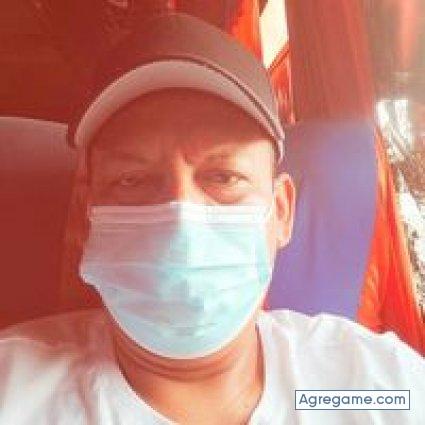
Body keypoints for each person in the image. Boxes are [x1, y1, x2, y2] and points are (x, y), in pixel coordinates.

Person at [0, 12, 424, 425]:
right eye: (132, 180)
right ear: (86, 217)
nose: (180, 217)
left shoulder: (373, 385)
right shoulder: (14, 394)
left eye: (223, 177)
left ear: (281, 211)